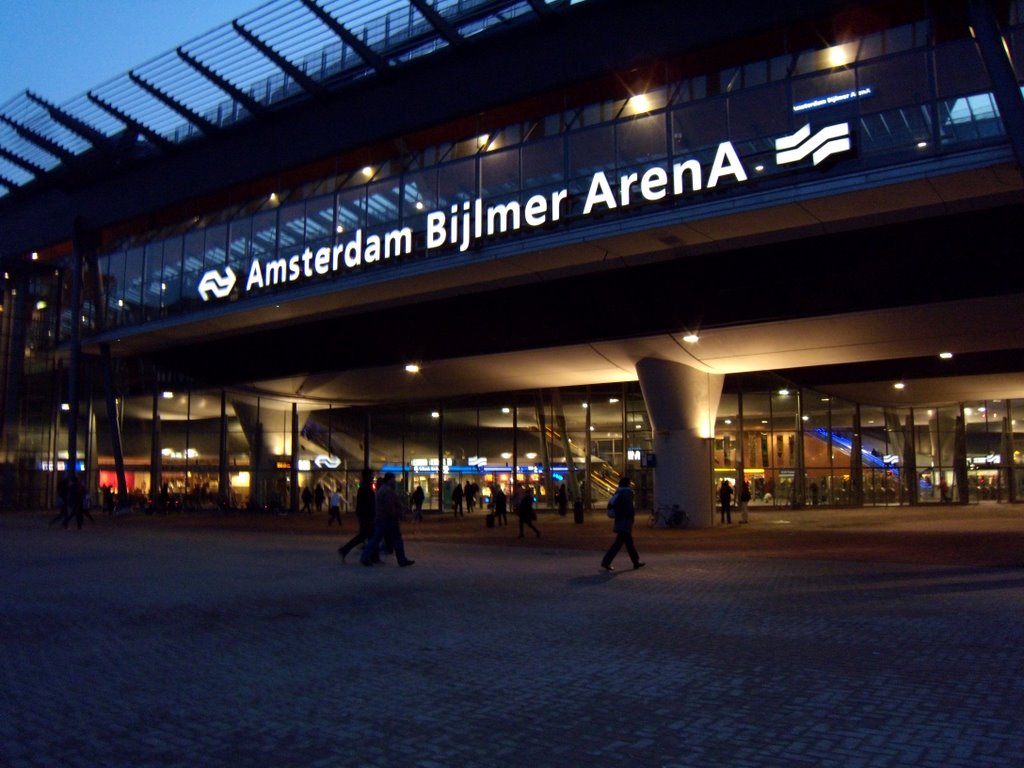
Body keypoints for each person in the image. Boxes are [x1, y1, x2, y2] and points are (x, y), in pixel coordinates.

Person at [360, 472, 414, 567]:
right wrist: (399, 514)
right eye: (393, 480)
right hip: (389, 519)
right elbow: (390, 507)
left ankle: (365, 556)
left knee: (376, 539)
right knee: (396, 539)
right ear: (389, 480)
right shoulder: (388, 491)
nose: (395, 482)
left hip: (382, 518)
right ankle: (401, 559)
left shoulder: (382, 490)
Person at [600, 476, 644, 572]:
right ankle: (606, 562)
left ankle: (635, 561)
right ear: (628, 483)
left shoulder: (619, 492)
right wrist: (631, 517)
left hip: (620, 520)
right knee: (620, 543)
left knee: (627, 543)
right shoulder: (627, 493)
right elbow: (628, 508)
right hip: (625, 521)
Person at [339, 470, 375, 562]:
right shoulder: (365, 488)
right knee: (366, 536)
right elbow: (367, 503)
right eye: (371, 475)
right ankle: (368, 556)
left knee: (366, 536)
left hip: (365, 515)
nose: (373, 477)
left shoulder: (365, 487)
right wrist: (369, 515)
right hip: (366, 515)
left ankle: (346, 550)